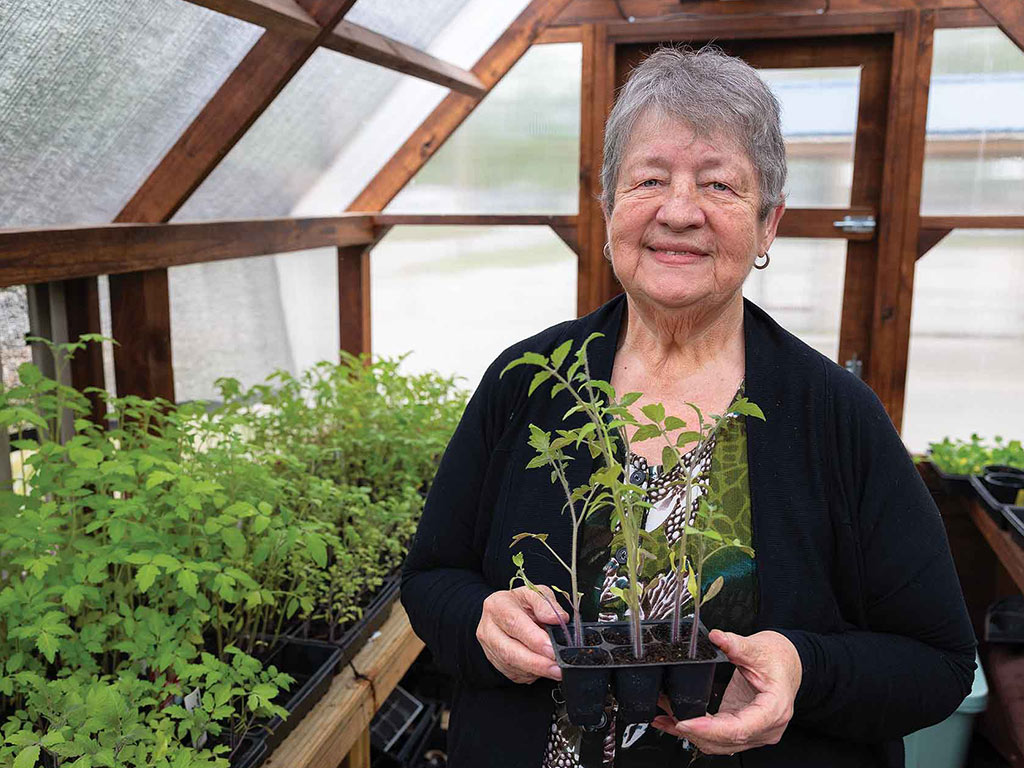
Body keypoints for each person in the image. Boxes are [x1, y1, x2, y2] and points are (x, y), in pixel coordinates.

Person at [401, 46, 976, 767]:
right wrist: (481, 622)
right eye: (649, 180)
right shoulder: (530, 383)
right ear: (609, 209)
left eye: (719, 185)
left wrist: (803, 670)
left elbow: (939, 662)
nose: (679, 212)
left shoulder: (835, 415)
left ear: (768, 224)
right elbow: (430, 579)